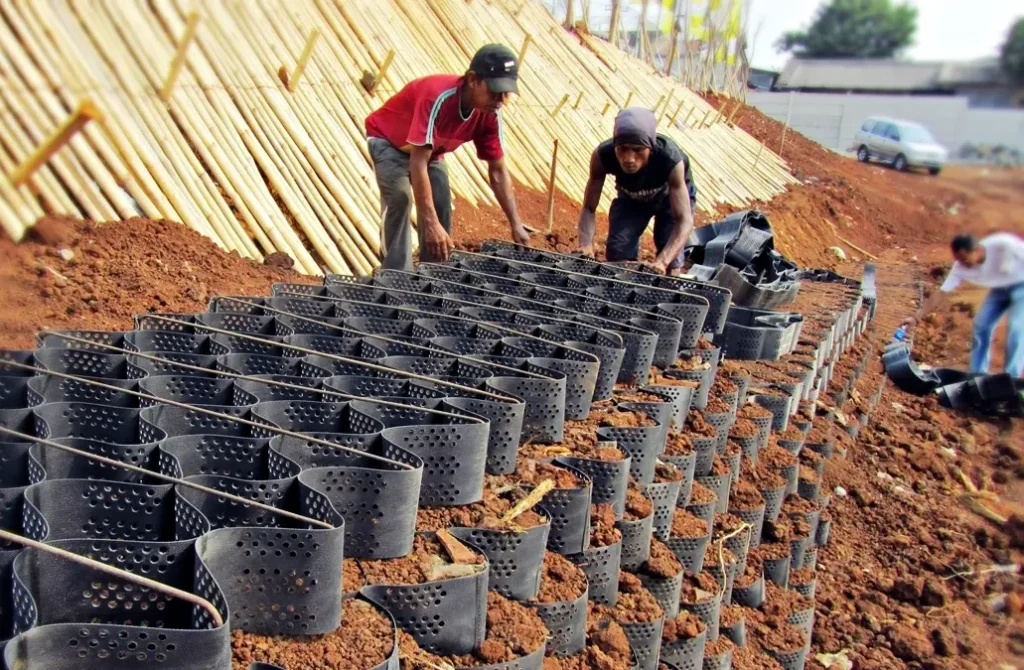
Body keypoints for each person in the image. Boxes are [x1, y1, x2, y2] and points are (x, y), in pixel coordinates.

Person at [365, 44, 531, 270]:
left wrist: (516, 223)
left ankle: (434, 275)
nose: (500, 100)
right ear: (473, 79)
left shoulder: (490, 113)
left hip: (430, 153)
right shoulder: (437, 97)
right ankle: (395, 276)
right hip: (389, 142)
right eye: (494, 91)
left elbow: (498, 170)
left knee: (441, 199)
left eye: (505, 94)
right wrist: (430, 223)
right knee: (401, 198)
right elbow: (418, 162)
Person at [576, 107, 697, 275]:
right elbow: (589, 207)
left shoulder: (670, 159)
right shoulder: (603, 156)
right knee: (617, 253)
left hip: (670, 199)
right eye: (623, 149)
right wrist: (585, 245)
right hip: (632, 197)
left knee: (671, 262)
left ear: (651, 148)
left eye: (638, 150)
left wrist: (663, 260)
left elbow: (684, 220)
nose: (629, 159)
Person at [905, 232, 1024, 377]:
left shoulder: (1002, 244)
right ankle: (977, 374)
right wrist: (916, 317)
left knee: (1017, 329)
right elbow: (941, 293)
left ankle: (1012, 378)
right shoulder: (960, 267)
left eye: (965, 259)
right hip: (1001, 288)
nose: (962, 264)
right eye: (959, 260)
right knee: (981, 325)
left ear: (978, 250)